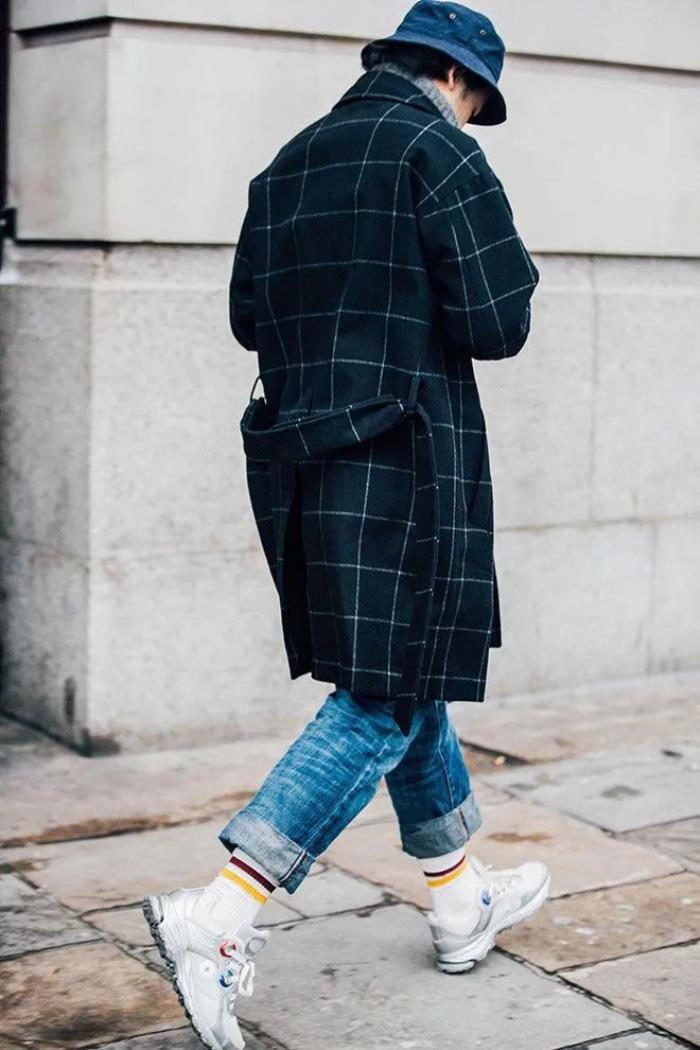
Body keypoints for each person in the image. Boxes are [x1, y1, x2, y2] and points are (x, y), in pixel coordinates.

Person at [143, 3, 548, 1047]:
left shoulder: (287, 162)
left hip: (305, 461)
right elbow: (498, 322)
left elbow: (249, 316)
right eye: (477, 101)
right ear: (456, 81)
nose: (473, 117)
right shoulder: (436, 153)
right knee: (382, 693)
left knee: (404, 675)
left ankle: (459, 900)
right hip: (407, 460)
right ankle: (220, 913)